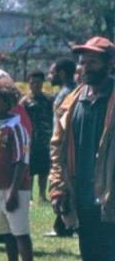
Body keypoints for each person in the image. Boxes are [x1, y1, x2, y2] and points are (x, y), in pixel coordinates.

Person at [49, 36, 115, 261]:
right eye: (82, 61)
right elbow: (57, 149)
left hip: (111, 191)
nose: (84, 67)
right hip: (82, 193)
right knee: (90, 251)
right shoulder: (71, 102)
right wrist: (58, 185)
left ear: (110, 64)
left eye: (92, 61)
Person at [0, 79, 44, 261]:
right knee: (7, 232)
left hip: (14, 187)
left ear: (7, 102)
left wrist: (13, 192)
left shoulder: (16, 127)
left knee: (20, 232)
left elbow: (21, 161)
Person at [45, 58, 77, 237]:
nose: (50, 76)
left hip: (63, 147)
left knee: (62, 184)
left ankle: (65, 225)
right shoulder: (67, 91)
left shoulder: (68, 93)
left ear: (62, 73)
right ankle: (61, 225)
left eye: (52, 72)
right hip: (60, 145)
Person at [23, 70, 53, 201]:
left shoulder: (49, 100)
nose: (35, 85)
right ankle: (28, 196)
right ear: (28, 84)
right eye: (32, 83)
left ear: (42, 83)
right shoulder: (24, 102)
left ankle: (42, 195)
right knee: (29, 170)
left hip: (45, 140)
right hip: (29, 140)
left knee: (44, 170)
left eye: (38, 82)